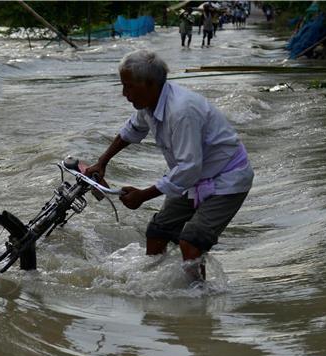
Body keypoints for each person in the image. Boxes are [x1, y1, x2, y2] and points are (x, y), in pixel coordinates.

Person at [85, 51, 254, 285]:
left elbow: (188, 169)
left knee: (191, 240)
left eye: (129, 87)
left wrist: (143, 195)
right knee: (157, 231)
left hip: (226, 178)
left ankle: (198, 298)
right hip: (192, 176)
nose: (125, 94)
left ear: (151, 84)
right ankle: (153, 285)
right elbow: (131, 130)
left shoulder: (182, 111)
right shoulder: (148, 104)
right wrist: (102, 162)